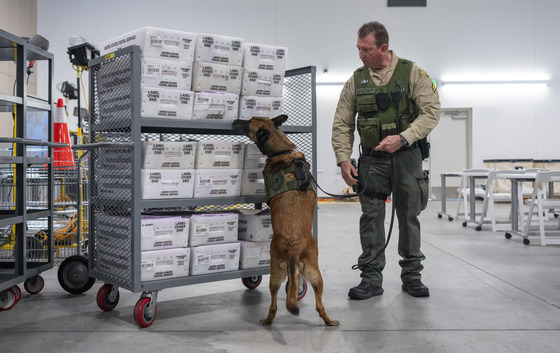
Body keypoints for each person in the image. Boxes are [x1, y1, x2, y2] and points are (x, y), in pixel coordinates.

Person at [331, 21, 440, 299]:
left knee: (408, 216)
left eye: (365, 49)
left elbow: (431, 112)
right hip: (371, 161)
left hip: (407, 158)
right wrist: (343, 159)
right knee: (371, 217)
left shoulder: (412, 73)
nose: (360, 54)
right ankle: (370, 279)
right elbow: (342, 123)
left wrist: (403, 137)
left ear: (383, 48)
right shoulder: (356, 80)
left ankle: (412, 277)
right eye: (358, 48)